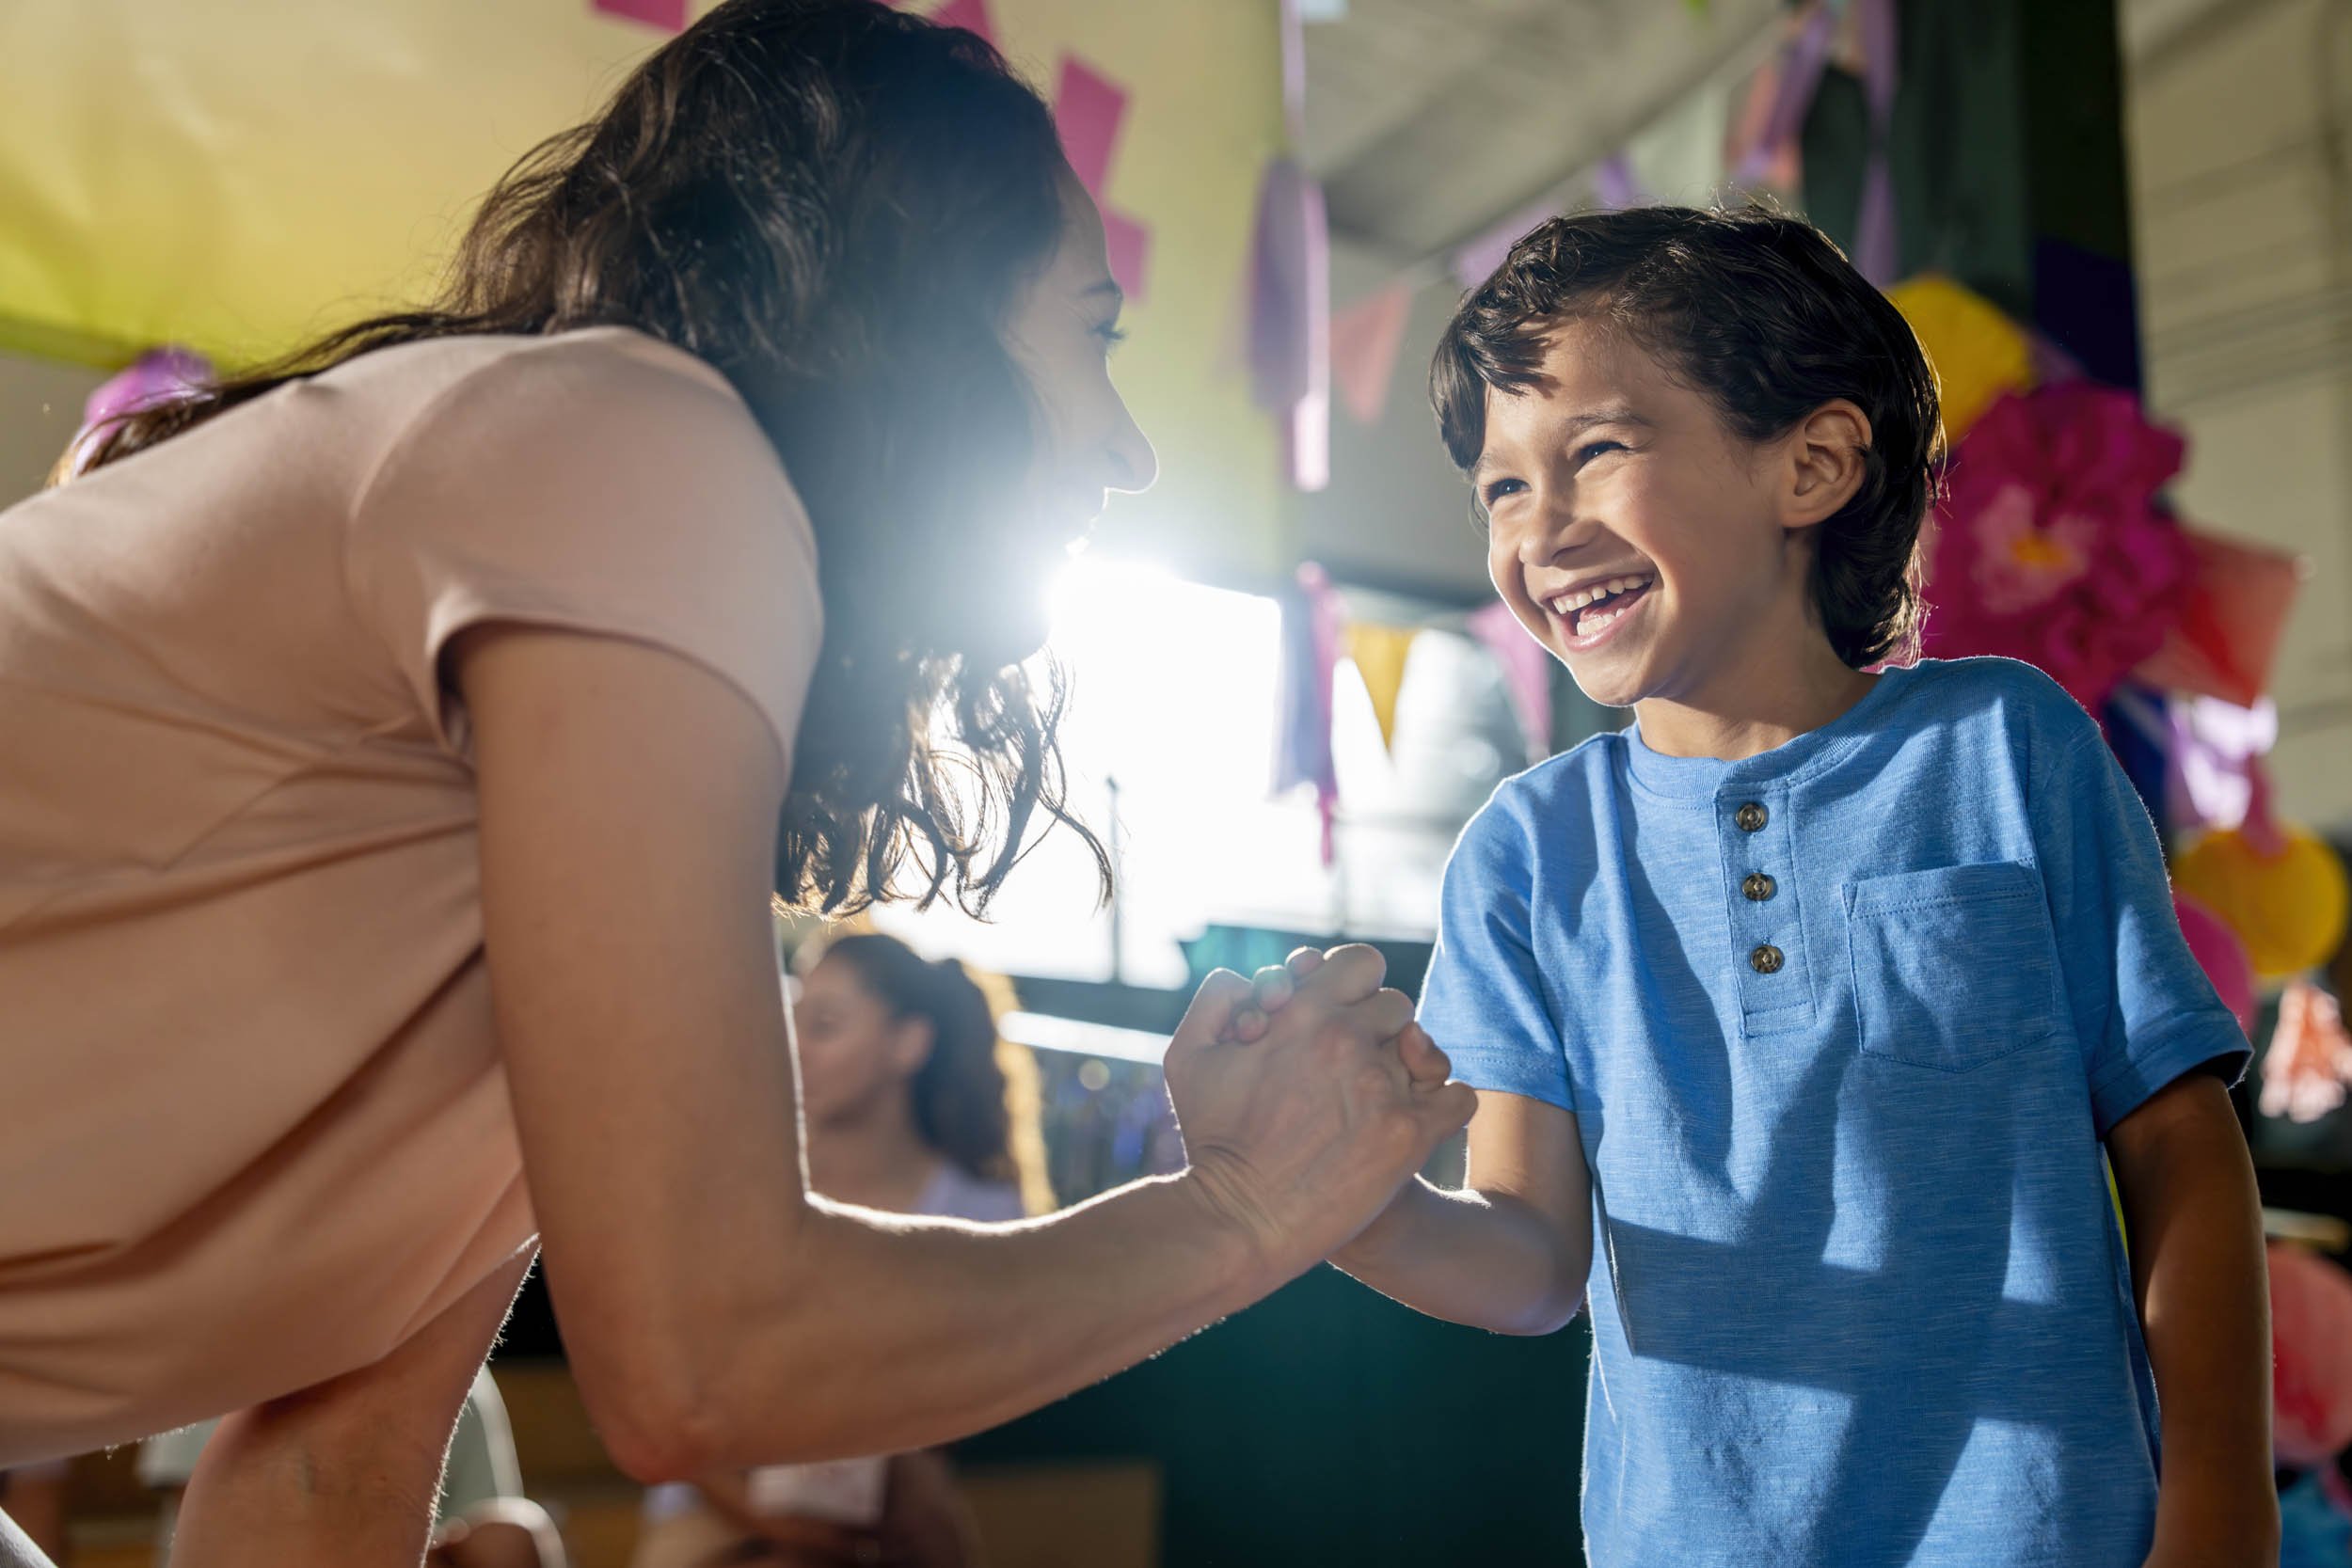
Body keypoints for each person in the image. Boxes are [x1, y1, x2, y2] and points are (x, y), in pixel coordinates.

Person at [0, 4, 1476, 1564]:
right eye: (1092, 335)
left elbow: (324, 1482)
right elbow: (703, 1358)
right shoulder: (634, 437)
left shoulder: (555, 815)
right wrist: (1243, 1209)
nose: (1129, 452)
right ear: (912, 307)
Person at [1275, 206, 2276, 1564]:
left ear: (1811, 463)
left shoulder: (2005, 745)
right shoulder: (1528, 851)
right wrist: (1340, 1202)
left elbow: (2178, 1147)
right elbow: (1526, 1258)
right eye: (1502, 486)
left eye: (1597, 451)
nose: (1541, 526)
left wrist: (2221, 1495)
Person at [631, 933, 1043, 1568]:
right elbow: (666, 1384)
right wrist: (771, 1519)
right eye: (790, 1019)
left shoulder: (981, 1207)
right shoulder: (737, 1184)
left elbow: (984, 1395)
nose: (794, 1047)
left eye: (823, 1025)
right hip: (716, 1493)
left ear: (908, 1043)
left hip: (894, 1502)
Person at [139, 1370, 564, 1568]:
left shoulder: (464, 1382)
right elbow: (210, 1530)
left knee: (512, 1534)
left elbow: (496, 1538)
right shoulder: (236, 1358)